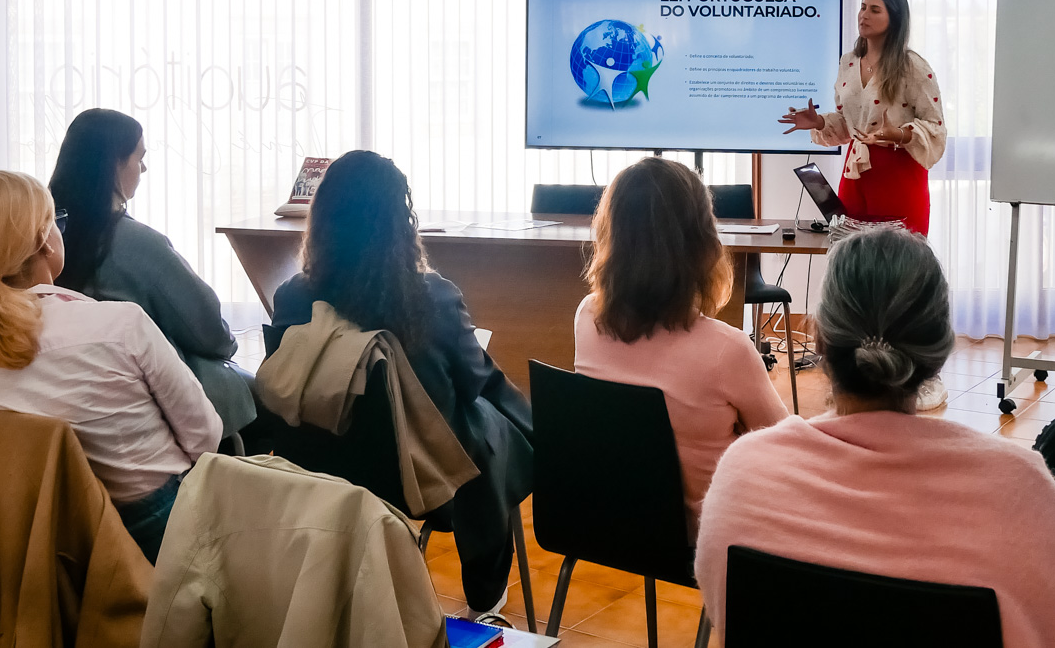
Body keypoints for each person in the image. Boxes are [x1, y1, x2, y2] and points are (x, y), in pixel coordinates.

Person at [695, 227, 1055, 648]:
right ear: (940, 348)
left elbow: (722, 613)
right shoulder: (1022, 488)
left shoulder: (742, 475)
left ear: (820, 337)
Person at [266, 150, 533, 627]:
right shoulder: (432, 297)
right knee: (489, 423)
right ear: (399, 223)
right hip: (425, 482)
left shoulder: (291, 299)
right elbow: (475, 380)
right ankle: (485, 598)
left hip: (324, 472)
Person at [0, 170, 224, 563]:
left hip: (39, 547)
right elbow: (205, 436)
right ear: (44, 239)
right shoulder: (121, 326)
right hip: (152, 532)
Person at [572, 157, 788, 532]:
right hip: (702, 534)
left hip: (605, 517)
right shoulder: (727, 350)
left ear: (611, 236)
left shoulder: (587, 317)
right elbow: (785, 447)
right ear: (702, 244)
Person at [48, 108, 255, 437]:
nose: (143, 168)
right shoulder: (138, 245)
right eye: (139, 158)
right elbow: (209, 331)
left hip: (63, 404)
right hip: (153, 407)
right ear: (114, 164)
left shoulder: (38, 239)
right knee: (264, 399)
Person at [779, 0, 945, 233]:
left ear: (894, 18)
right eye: (863, 7)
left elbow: (935, 128)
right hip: (855, 174)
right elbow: (849, 124)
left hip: (898, 174)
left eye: (875, 10)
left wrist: (898, 134)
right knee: (850, 249)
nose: (864, 15)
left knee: (897, 254)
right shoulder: (848, 62)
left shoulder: (913, 66)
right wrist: (819, 122)